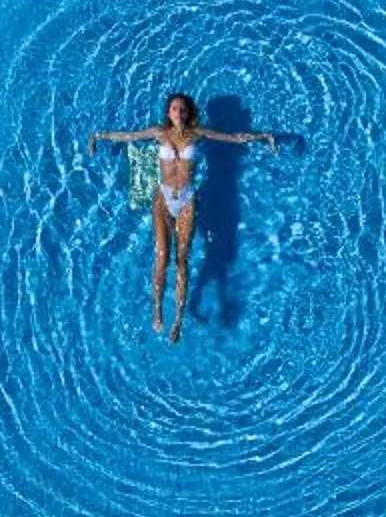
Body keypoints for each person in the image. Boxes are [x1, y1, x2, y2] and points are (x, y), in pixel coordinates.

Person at [91, 93, 275, 340]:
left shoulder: (196, 134)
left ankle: (178, 318)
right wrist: (98, 137)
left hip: (187, 199)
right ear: (168, 112)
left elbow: (233, 138)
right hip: (163, 199)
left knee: (182, 260)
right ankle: (157, 310)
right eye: (175, 108)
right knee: (162, 256)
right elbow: (128, 136)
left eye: (183, 109)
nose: (179, 112)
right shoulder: (159, 133)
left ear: (188, 113)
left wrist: (263, 137)